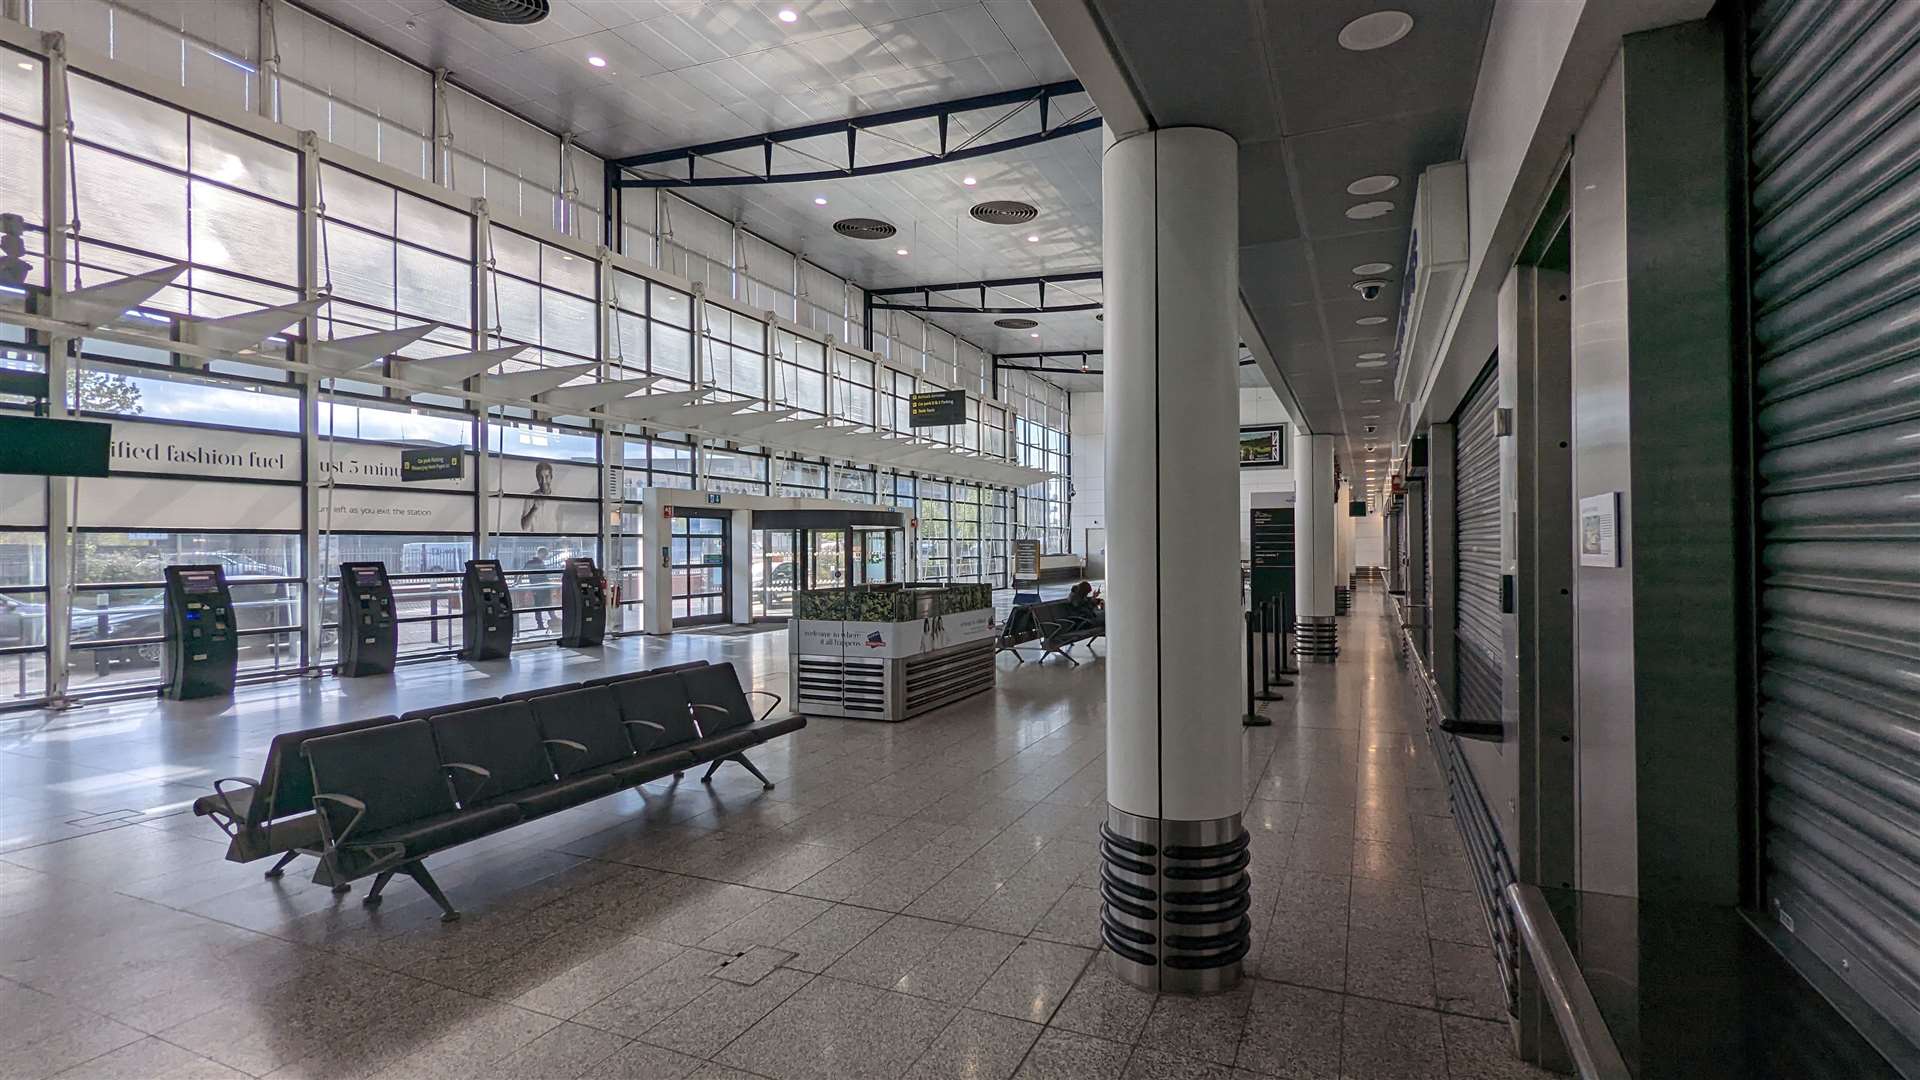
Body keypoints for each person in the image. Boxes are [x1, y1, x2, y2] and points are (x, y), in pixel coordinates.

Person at [524, 545, 551, 629]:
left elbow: (521, 573)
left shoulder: (533, 562)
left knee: (541, 605)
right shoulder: (534, 563)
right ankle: (543, 623)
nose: (545, 557)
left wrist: (517, 582)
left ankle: (542, 624)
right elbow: (521, 572)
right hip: (540, 587)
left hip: (539, 587)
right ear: (539, 553)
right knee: (544, 605)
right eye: (544, 555)